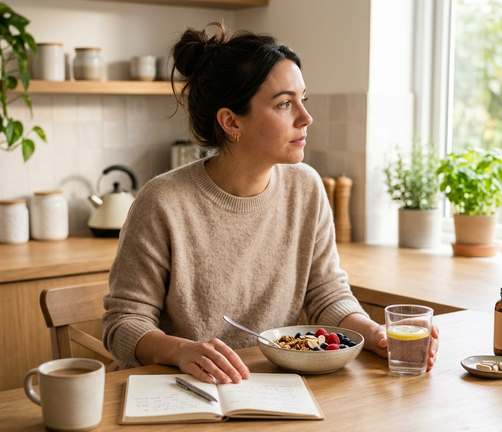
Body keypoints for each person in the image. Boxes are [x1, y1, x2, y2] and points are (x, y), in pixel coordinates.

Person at [102, 22, 439, 384]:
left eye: (303, 100)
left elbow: (326, 294)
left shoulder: (306, 187)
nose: (306, 118)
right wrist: (182, 350)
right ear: (231, 122)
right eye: (284, 104)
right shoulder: (163, 201)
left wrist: (373, 333)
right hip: (181, 388)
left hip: (273, 385)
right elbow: (124, 323)